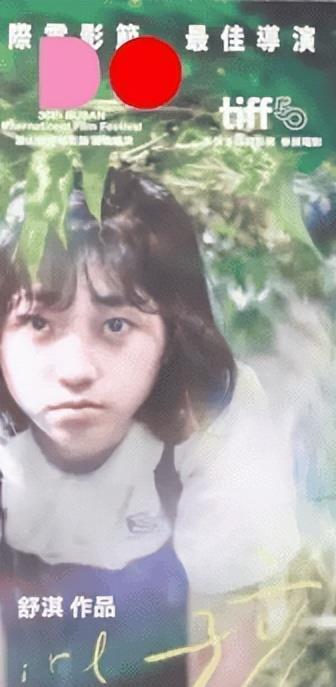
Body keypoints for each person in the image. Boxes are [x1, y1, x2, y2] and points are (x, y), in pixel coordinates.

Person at [0, 167, 300, 685]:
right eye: (39, 323)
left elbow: (228, 631)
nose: (76, 370)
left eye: (115, 325)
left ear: (172, 334)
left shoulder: (214, 411)